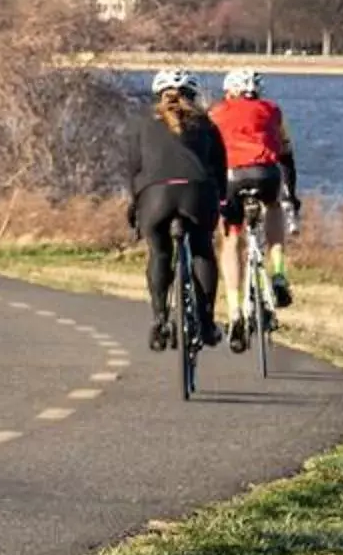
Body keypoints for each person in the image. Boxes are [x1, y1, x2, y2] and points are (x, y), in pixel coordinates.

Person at [127, 65, 226, 352]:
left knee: (159, 253)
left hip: (155, 196)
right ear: (192, 95)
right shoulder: (206, 123)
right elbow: (220, 167)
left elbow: (133, 168)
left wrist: (135, 204)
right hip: (197, 193)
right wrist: (222, 199)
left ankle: (160, 319)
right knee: (202, 250)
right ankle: (206, 323)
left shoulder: (141, 122)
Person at [209, 66, 301, 348]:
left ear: (230, 91)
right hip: (266, 173)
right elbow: (286, 155)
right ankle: (279, 274)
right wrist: (292, 197)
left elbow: (208, 152)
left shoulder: (215, 113)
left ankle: (235, 310)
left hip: (232, 177)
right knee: (273, 208)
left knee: (231, 239)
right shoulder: (273, 110)